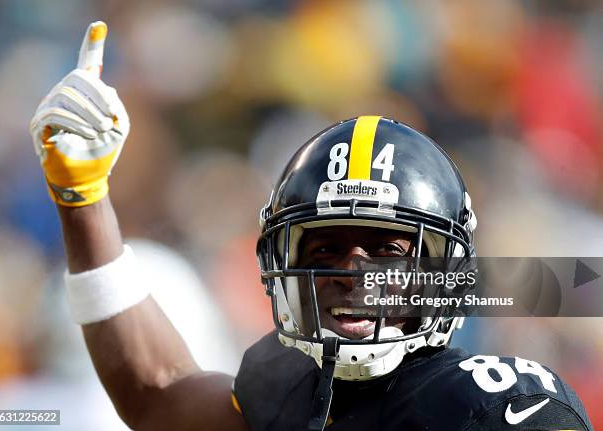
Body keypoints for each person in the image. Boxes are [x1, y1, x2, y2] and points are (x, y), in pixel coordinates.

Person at [29, 22, 593, 430]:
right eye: (325, 247)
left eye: (386, 250)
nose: (352, 271)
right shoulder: (289, 390)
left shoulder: (487, 405)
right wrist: (83, 201)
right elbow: (158, 394)